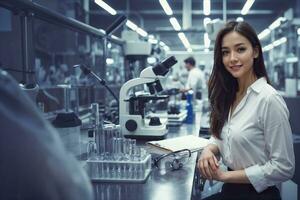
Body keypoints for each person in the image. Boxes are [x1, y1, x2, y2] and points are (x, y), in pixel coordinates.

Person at [197, 21, 295, 200]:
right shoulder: (230, 94)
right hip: (230, 191)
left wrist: (224, 176)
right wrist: (208, 149)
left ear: (255, 52)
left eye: (240, 49)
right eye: (226, 52)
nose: (232, 58)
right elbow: (224, 135)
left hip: (259, 195)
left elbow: (284, 167)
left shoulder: (268, 99)